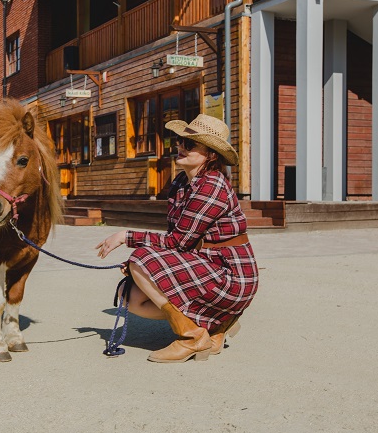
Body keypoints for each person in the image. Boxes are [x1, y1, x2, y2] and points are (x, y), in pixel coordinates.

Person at [96, 113, 259, 363]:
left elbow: (177, 242)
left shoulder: (211, 186)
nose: (181, 147)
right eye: (180, 141)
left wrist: (126, 237)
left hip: (230, 274)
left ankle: (193, 336)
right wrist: (149, 265)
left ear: (211, 155)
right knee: (130, 295)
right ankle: (216, 324)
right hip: (204, 264)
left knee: (141, 260)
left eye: (190, 144)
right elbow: (180, 242)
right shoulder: (182, 182)